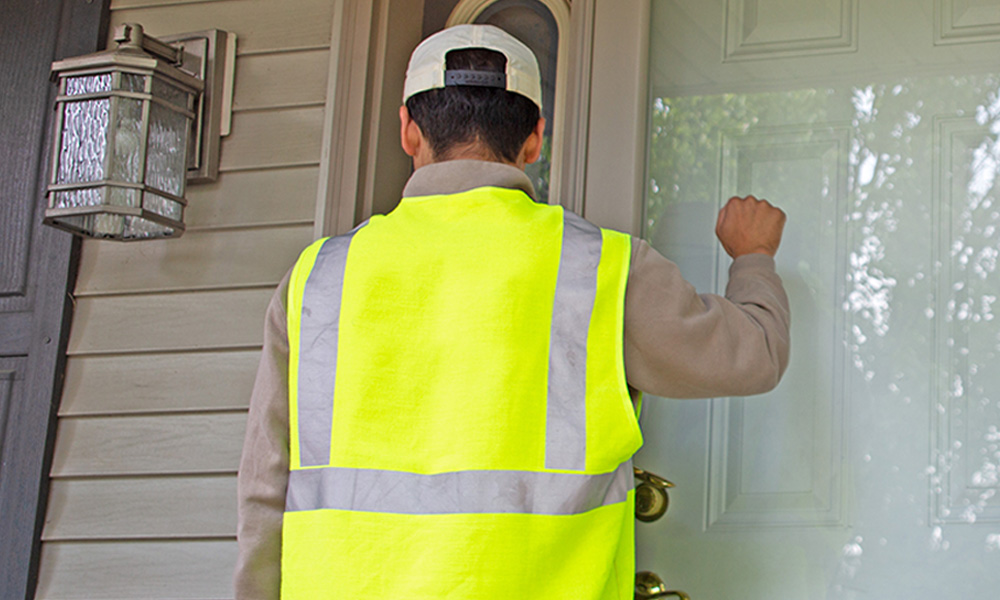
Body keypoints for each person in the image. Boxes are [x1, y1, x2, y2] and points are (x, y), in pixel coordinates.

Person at [234, 24, 789, 600]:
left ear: (407, 130)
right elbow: (754, 355)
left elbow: (264, 486)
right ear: (534, 140)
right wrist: (753, 258)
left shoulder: (318, 279)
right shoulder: (598, 271)